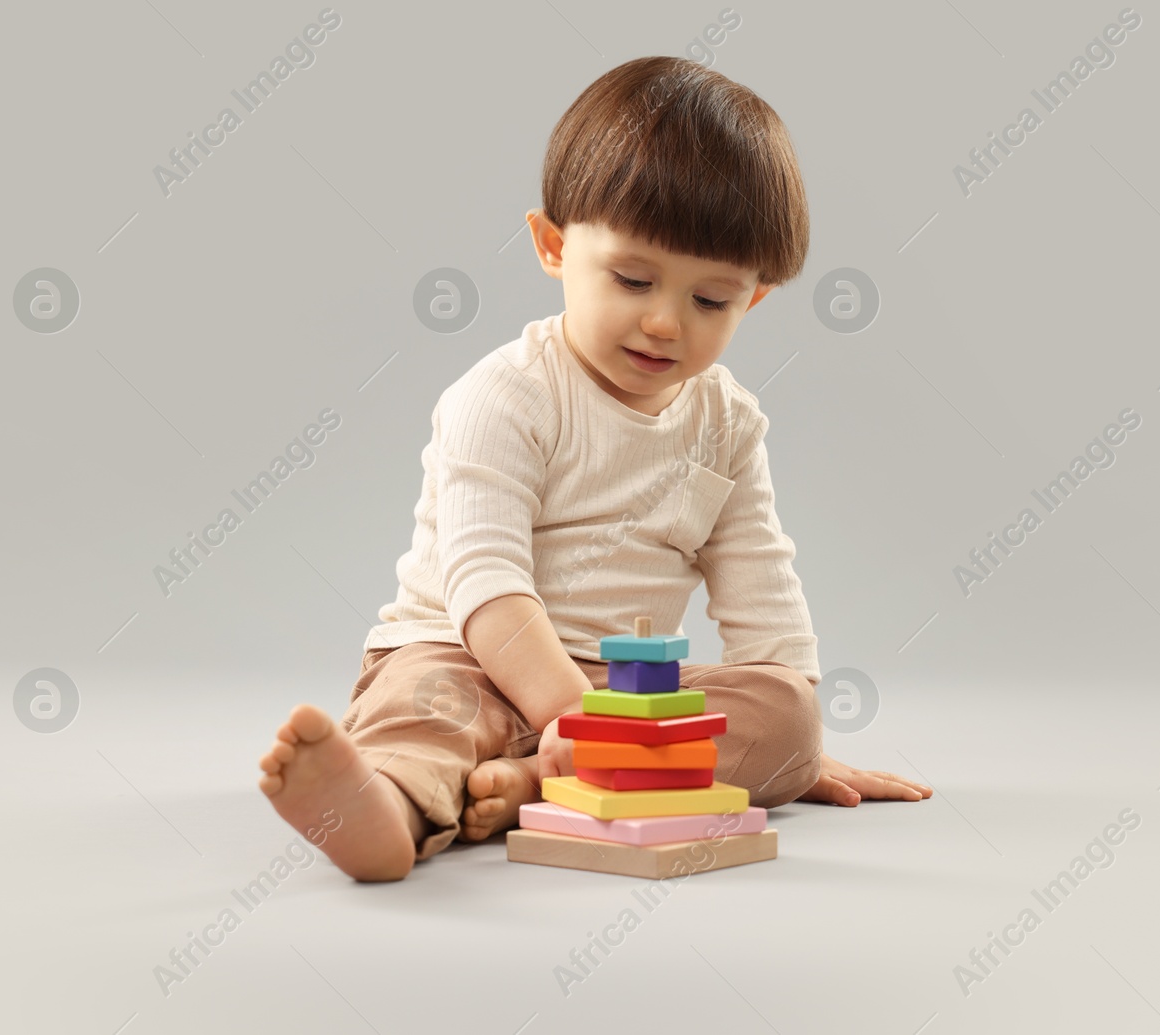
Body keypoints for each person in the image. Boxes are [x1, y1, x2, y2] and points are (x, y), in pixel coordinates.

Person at [258, 55, 931, 881]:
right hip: (465, 649)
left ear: (752, 298)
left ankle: (541, 776)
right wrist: (567, 710)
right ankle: (384, 806)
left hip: (623, 689)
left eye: (710, 300)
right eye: (633, 278)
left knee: (788, 709)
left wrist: (792, 750)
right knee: (428, 709)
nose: (663, 321)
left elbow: (765, 592)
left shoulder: (728, 422)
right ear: (552, 245)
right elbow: (483, 578)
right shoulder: (507, 395)